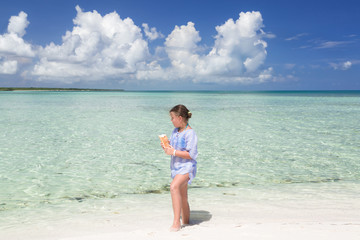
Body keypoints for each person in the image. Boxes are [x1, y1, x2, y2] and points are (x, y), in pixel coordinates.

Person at [161, 104, 198, 232]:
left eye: (172, 118)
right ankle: (187, 223)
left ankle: (176, 222)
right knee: (183, 196)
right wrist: (166, 146)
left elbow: (191, 155)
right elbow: (174, 147)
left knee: (173, 187)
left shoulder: (190, 133)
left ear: (180, 118)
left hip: (187, 167)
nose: (171, 120)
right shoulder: (175, 131)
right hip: (176, 167)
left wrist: (174, 152)